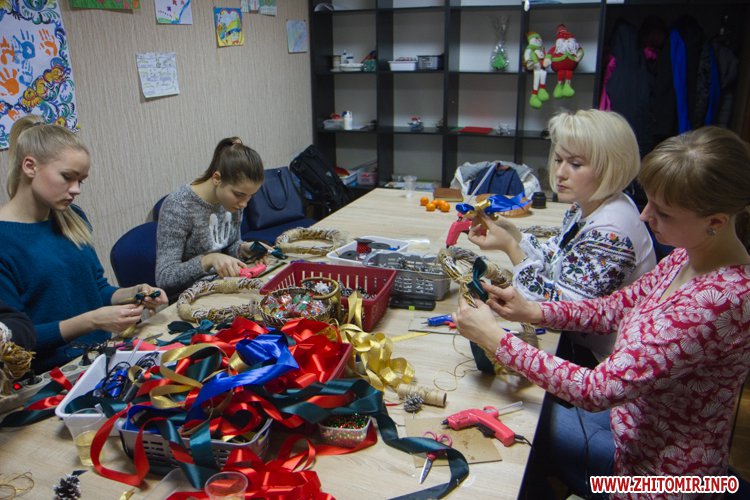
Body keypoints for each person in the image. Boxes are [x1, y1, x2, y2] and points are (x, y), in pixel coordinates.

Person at [455, 126, 750, 497]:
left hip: (657, 479)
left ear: (715, 223)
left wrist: (495, 339)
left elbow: (596, 389)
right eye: (648, 202)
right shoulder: (686, 257)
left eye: (663, 212)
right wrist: (533, 311)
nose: (644, 215)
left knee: (517, 434)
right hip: (630, 427)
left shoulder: (720, 301)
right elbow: (614, 308)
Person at [468, 109, 656, 362]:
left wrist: (511, 248)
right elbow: (556, 258)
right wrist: (513, 234)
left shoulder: (612, 233)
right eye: (558, 160)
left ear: (610, 167)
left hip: (600, 360)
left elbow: (556, 310)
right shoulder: (587, 206)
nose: (560, 173)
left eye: (575, 164)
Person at [0, 115, 167, 372]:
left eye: (80, 180)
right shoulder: (5, 240)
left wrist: (134, 293)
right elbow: (15, 342)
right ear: (30, 167)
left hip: (100, 356)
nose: (76, 189)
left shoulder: (73, 218)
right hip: (50, 374)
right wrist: (92, 321)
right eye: (67, 177)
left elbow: (95, 288)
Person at [156, 137, 264, 299]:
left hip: (223, 285)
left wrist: (244, 249)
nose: (244, 204)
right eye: (239, 194)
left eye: (250, 196)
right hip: (189, 297)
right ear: (217, 178)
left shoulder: (233, 202)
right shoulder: (179, 206)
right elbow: (164, 277)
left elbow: (229, 245)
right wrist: (207, 260)